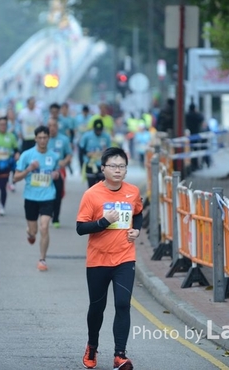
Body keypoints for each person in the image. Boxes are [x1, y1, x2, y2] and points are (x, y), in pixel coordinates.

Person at [76, 147, 143, 370]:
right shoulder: (91, 194)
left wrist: (138, 230)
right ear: (103, 168)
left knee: (123, 305)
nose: (117, 170)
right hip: (98, 260)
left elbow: (138, 213)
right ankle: (92, 346)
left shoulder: (133, 192)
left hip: (125, 258)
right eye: (113, 166)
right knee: (97, 308)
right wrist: (103, 222)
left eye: (122, 166)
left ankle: (120, 355)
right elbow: (80, 228)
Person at [13, 125, 60, 271]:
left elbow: (56, 171)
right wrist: (29, 169)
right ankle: (30, 233)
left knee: (44, 227)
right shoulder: (27, 155)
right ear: (35, 138)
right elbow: (15, 178)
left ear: (48, 138)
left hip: (47, 196)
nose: (42, 140)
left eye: (45, 137)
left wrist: (56, 175)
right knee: (34, 231)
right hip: (31, 197)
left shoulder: (54, 156)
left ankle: (42, 259)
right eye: (39, 138)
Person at [46, 117, 72, 228]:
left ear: (57, 127)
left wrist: (64, 161)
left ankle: (56, 218)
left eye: (54, 126)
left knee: (58, 195)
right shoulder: (43, 139)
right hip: (45, 173)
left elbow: (69, 154)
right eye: (49, 126)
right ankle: (47, 213)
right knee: (46, 195)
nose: (52, 128)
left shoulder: (64, 140)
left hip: (59, 172)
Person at [79, 119, 112, 188]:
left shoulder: (106, 137)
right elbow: (81, 149)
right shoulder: (87, 136)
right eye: (97, 130)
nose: (98, 132)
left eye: (100, 130)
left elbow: (110, 151)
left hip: (102, 165)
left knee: (102, 187)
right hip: (90, 164)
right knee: (91, 187)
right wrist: (86, 156)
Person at [75, 105, 92, 170]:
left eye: (86, 112)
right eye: (84, 112)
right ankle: (82, 167)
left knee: (88, 153)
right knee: (80, 154)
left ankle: (89, 166)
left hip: (88, 140)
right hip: (80, 139)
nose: (85, 113)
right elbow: (76, 128)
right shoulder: (78, 118)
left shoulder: (90, 118)